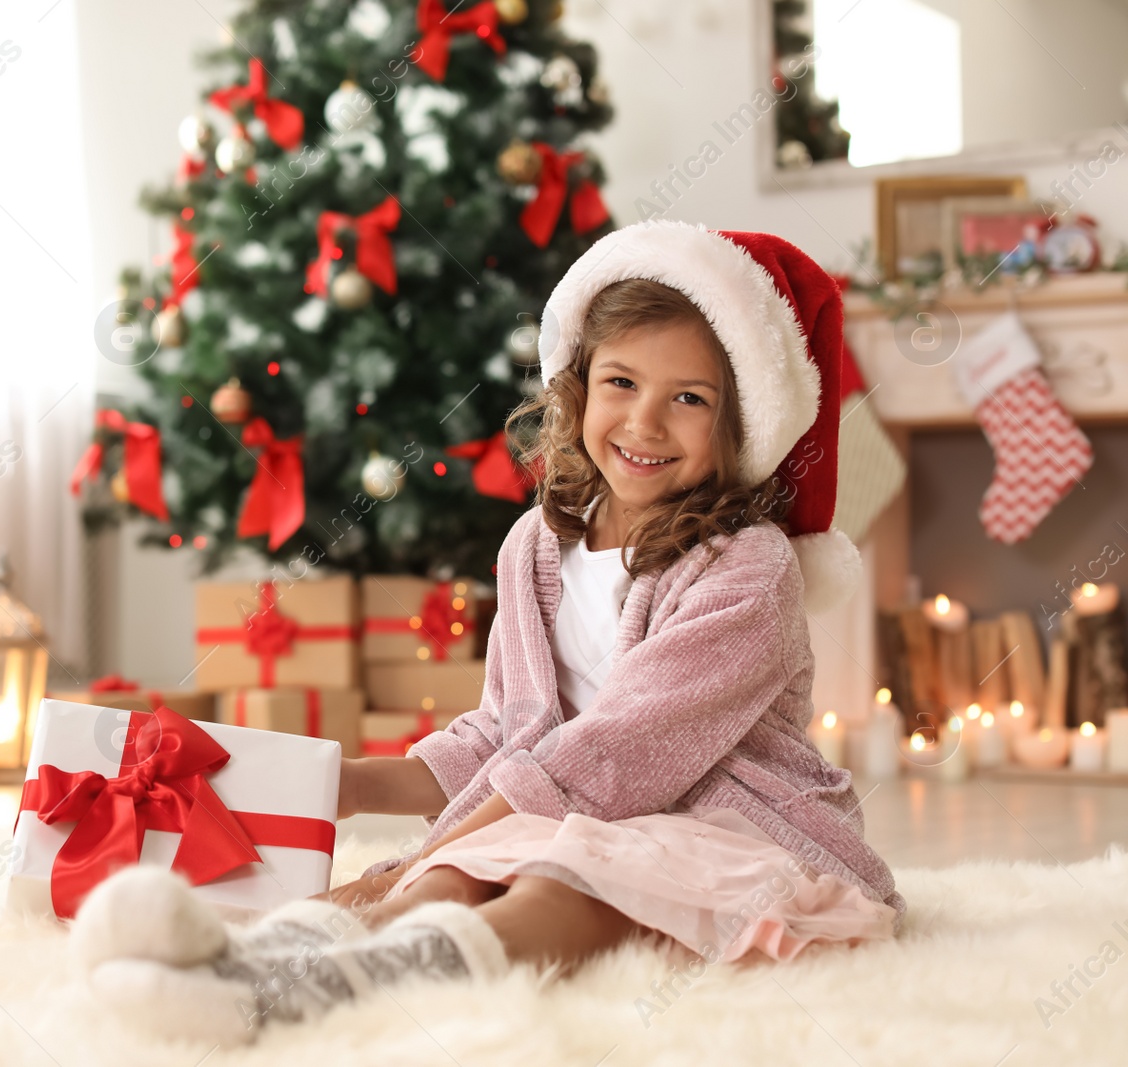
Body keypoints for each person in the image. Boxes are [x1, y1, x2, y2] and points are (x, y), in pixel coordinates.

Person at [67, 220, 906, 1045]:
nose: (644, 424)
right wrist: (352, 785)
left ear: (740, 425)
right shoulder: (537, 547)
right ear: (577, 385)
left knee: (553, 876)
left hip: (724, 822)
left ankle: (348, 983)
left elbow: (618, 751)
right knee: (457, 874)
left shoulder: (748, 569)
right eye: (621, 382)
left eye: (689, 398)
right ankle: (249, 969)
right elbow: (506, 734)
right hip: (573, 802)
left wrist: (416, 858)